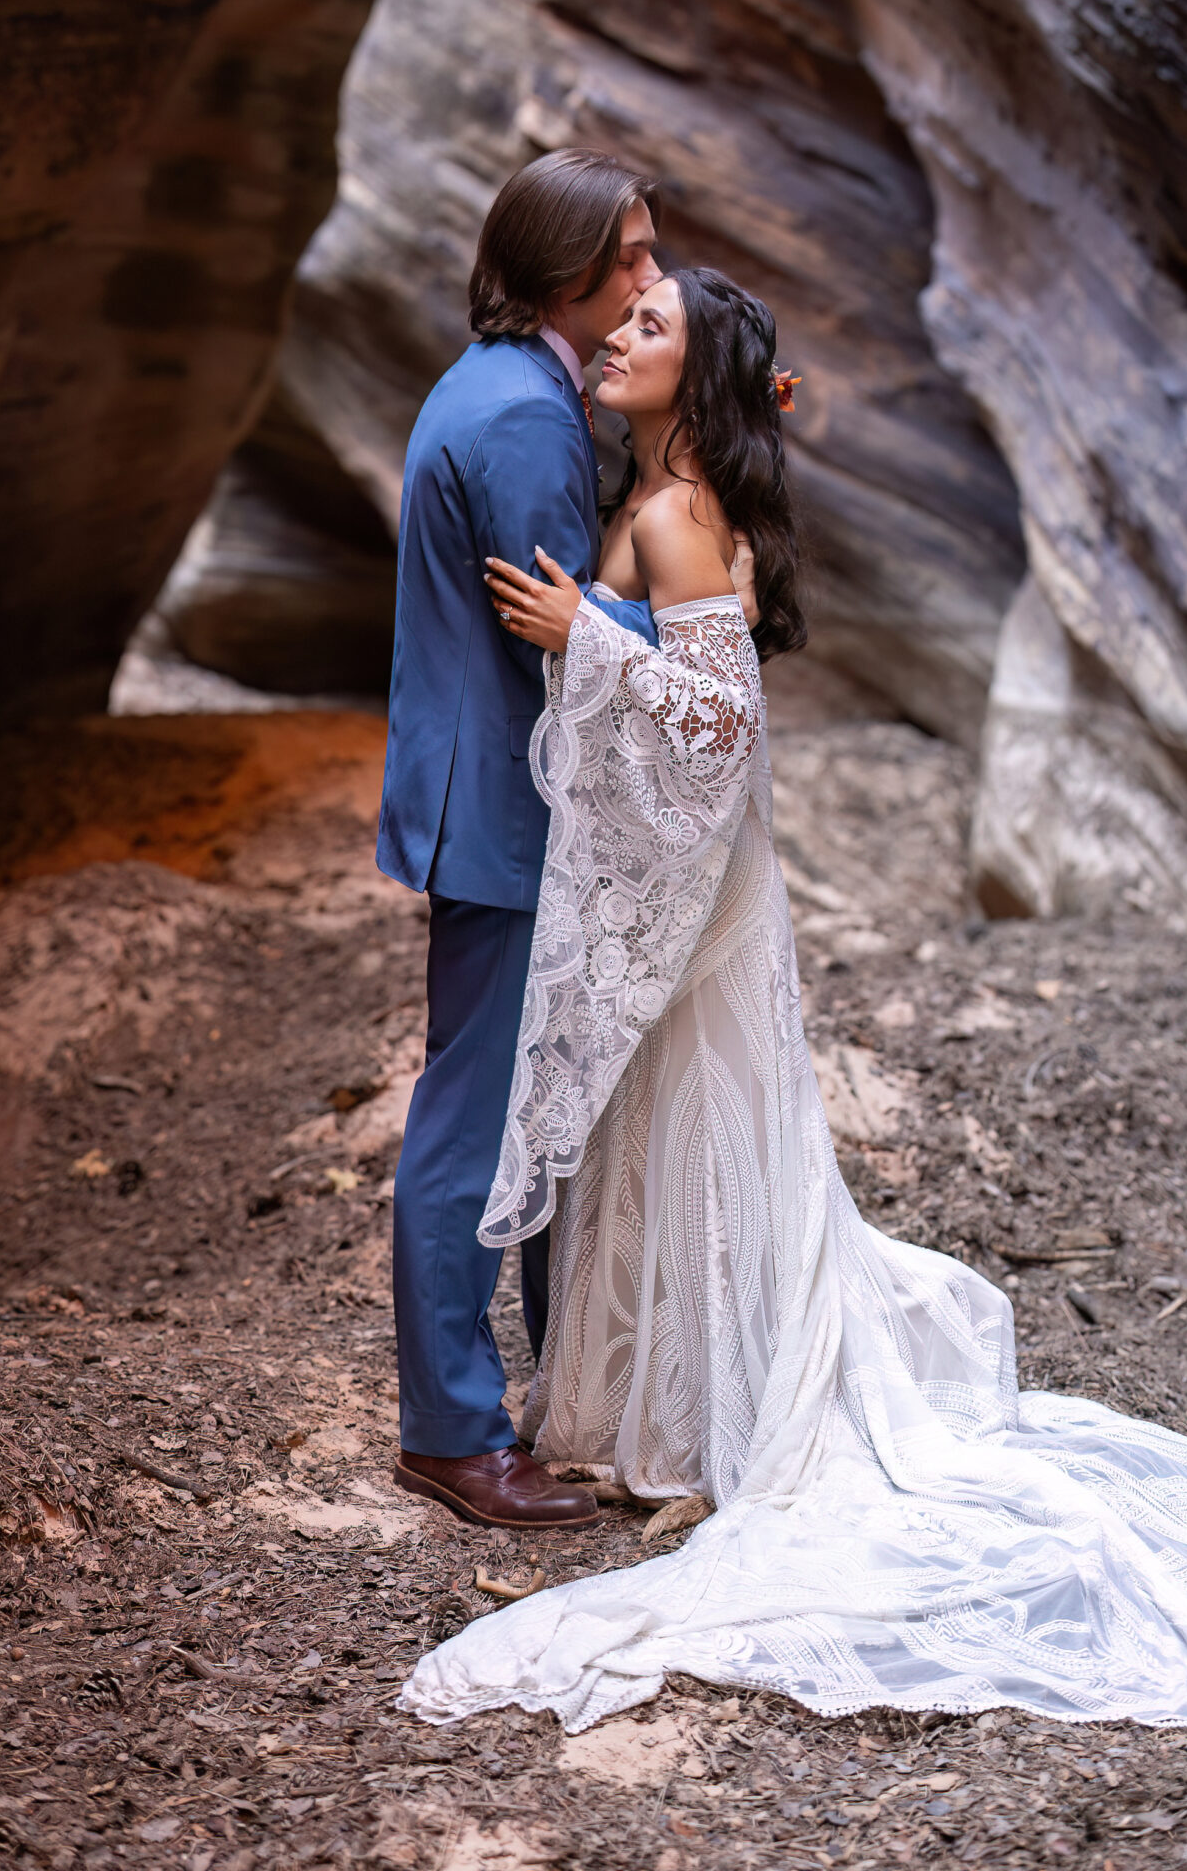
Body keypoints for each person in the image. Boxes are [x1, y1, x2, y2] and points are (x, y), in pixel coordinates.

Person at [394, 264, 1187, 1734]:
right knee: (660, 1126)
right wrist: (605, 636)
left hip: (710, 888)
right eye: (622, 314)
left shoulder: (671, 513)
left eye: (649, 326)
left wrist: (583, 641)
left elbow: (724, 722)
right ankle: (663, 1402)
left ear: (697, 379)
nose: (618, 335)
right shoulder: (652, 492)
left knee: (715, 1118)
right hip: (684, 878)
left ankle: (726, 1401)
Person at [380, 152, 752, 1533]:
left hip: (479, 793)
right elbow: (569, 652)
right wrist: (713, 615)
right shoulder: (530, 424)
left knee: (535, 1116)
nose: (655, 279)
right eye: (638, 259)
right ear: (569, 273)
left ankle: (550, 1401)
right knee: (477, 1129)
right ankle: (454, 1433)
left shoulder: (498, 384)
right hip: (505, 814)